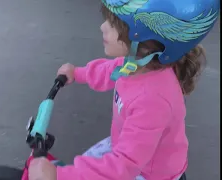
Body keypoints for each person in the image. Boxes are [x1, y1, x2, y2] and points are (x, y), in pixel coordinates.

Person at [28, 0, 220, 179]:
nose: (102, 27)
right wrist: (79, 73)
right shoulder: (136, 64)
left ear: (144, 41)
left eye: (113, 25)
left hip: (147, 173)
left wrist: (59, 175)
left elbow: (125, 165)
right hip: (128, 148)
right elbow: (113, 69)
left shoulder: (153, 100)